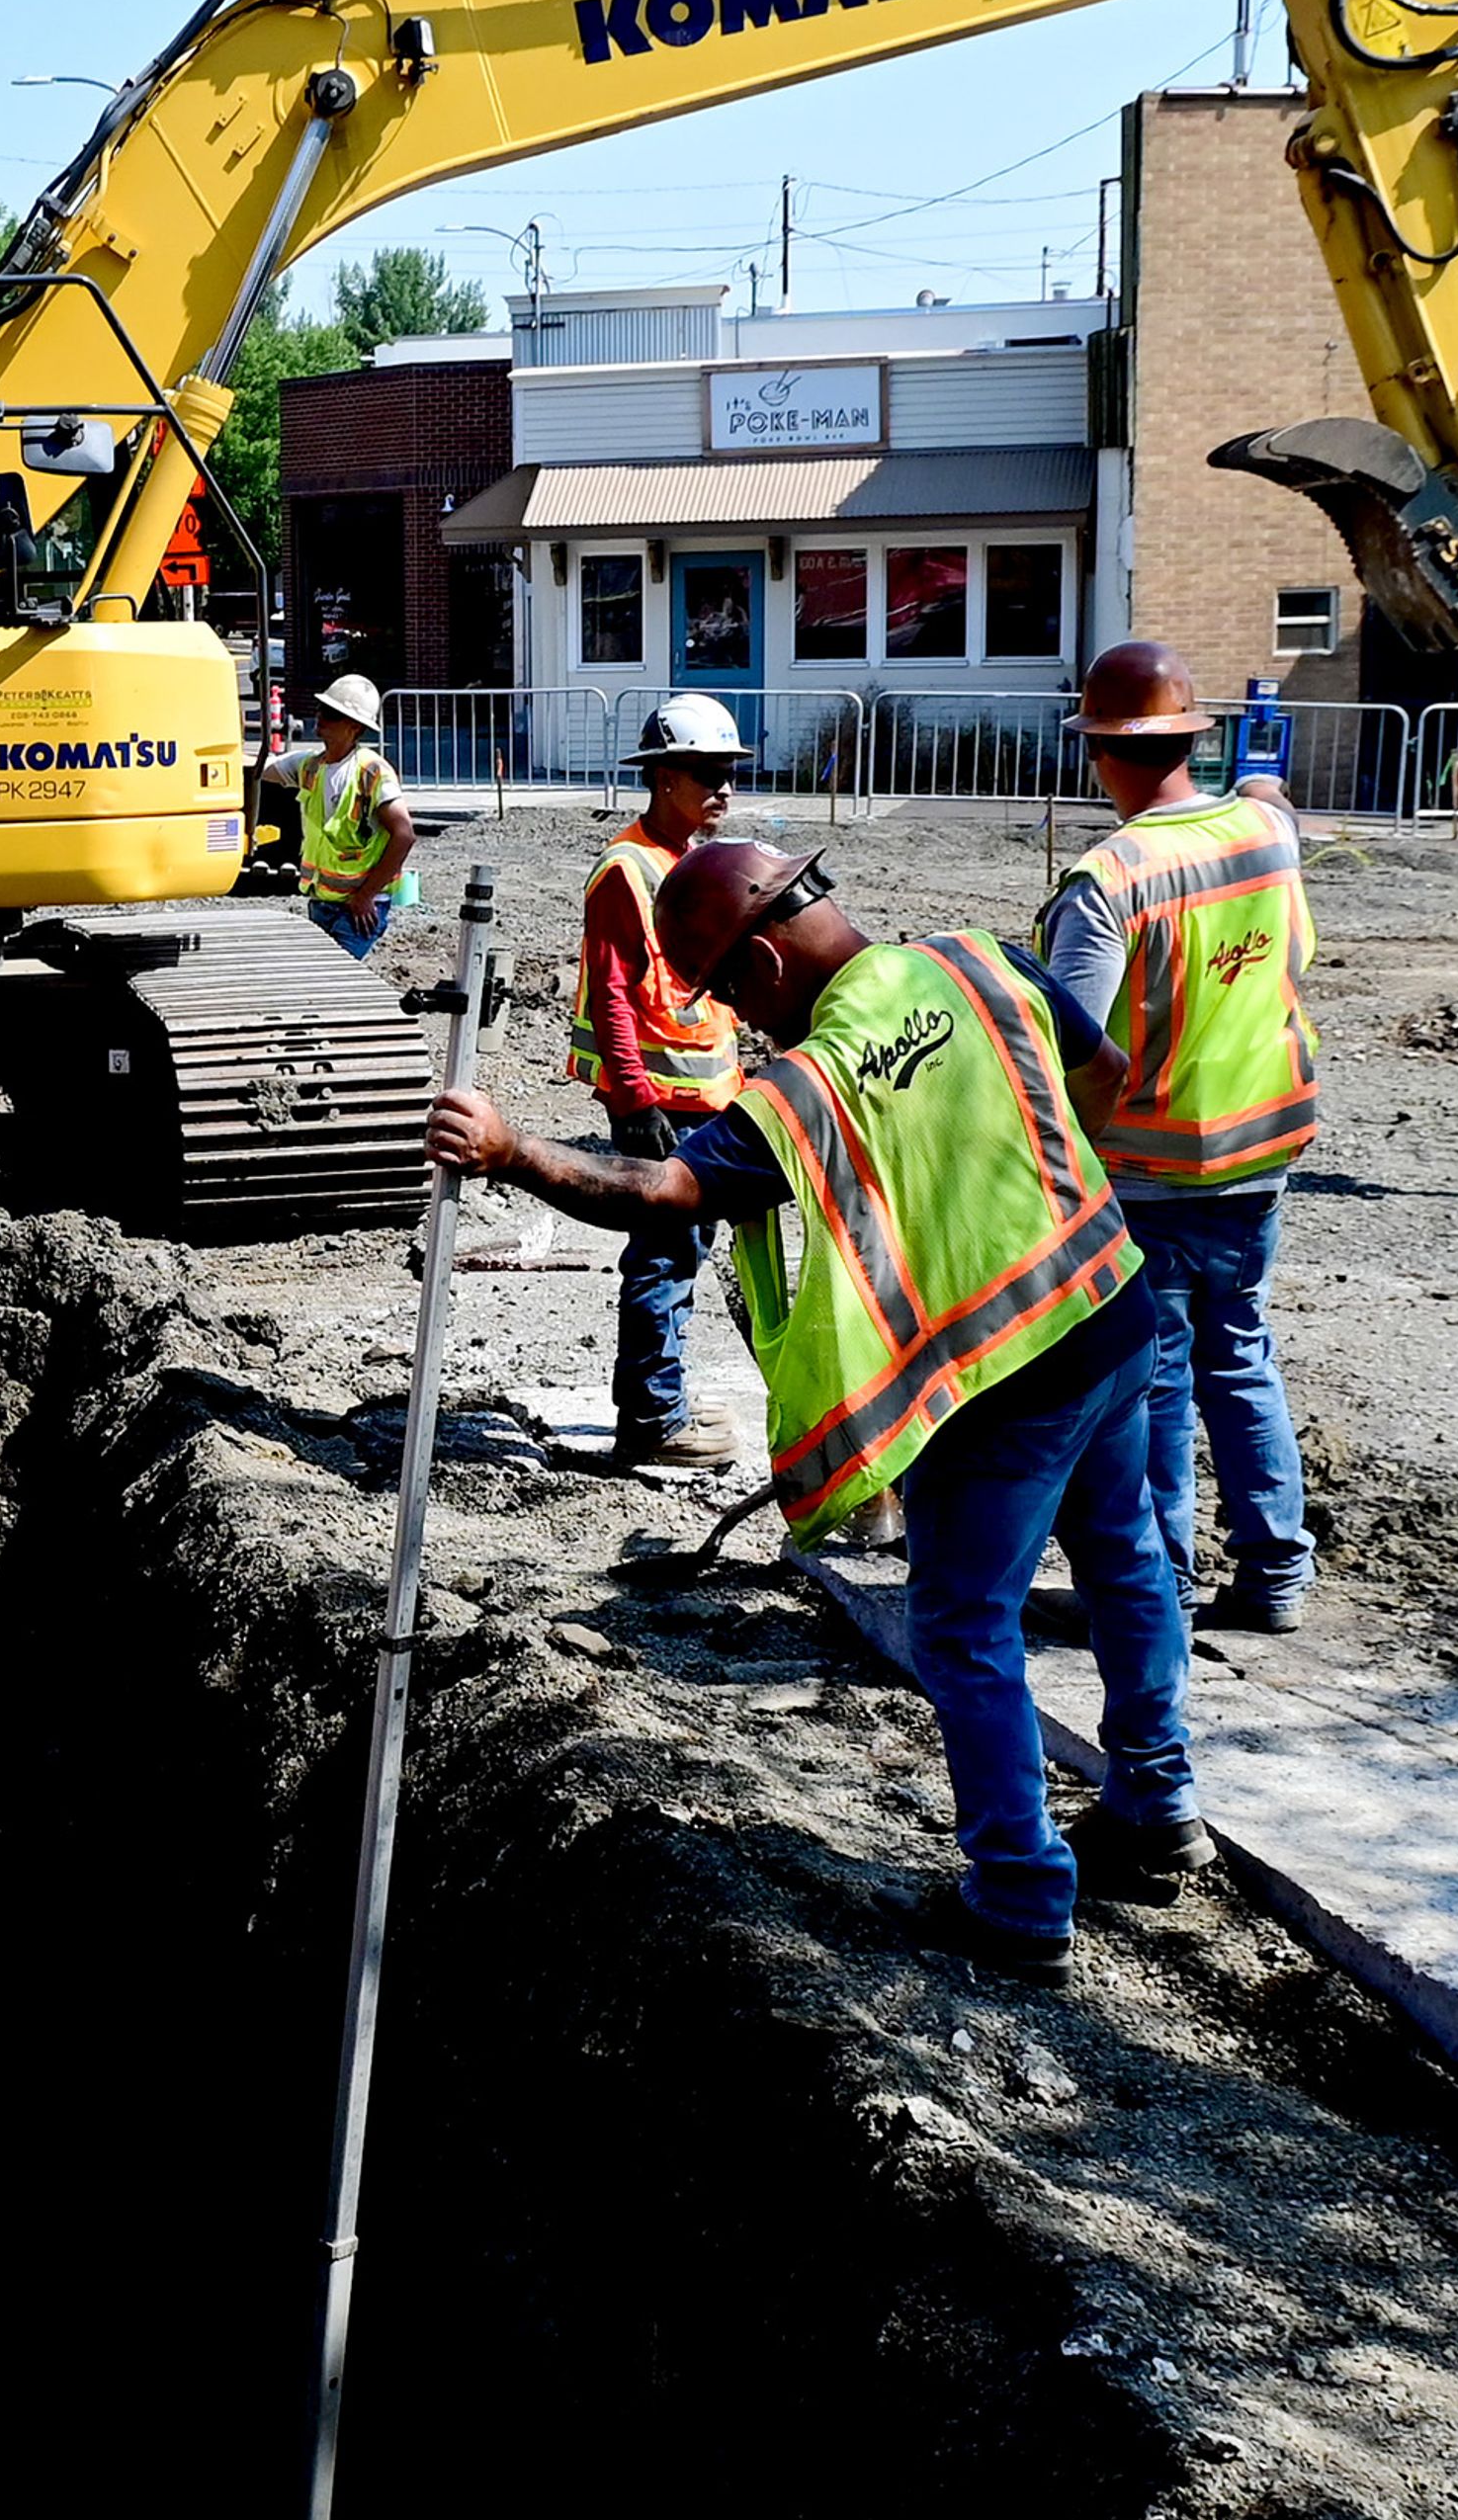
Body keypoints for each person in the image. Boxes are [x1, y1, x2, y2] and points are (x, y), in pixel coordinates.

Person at [425, 839, 1206, 1978]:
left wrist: (510, 1148)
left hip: (996, 1378)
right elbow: (1105, 1079)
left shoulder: (804, 1090)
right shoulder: (982, 962)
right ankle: (1156, 1804)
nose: (743, 1019)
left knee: (962, 1625)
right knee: (1125, 1558)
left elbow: (664, 1192)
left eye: (732, 992)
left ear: (763, 967)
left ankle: (1022, 1897)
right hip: (1107, 1299)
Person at [1038, 643, 1320, 1633]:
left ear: (1100, 752)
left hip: (1150, 1173)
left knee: (1152, 1381)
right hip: (1259, 1157)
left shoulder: (1108, 879)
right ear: (1190, 738)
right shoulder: (1263, 838)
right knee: (1239, 1351)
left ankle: (1156, 1587)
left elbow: (1070, 1043)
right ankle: (1277, 1570)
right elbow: (1272, 809)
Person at [567, 694, 750, 1470]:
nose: (724, 790)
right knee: (666, 1254)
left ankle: (660, 1397)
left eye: (729, 774)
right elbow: (610, 990)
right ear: (664, 779)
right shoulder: (627, 870)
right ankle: (651, 1417)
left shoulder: (691, 864)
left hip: (702, 1098)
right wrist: (636, 1099)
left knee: (681, 1253)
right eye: (707, 775)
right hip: (660, 1106)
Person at [280, 673, 417, 960]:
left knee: (333, 982)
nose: (320, 717)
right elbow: (256, 768)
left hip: (359, 907)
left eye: (331, 713)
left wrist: (366, 896)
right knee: (322, 981)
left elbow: (404, 835)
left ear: (354, 727)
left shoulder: (372, 771)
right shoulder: (310, 767)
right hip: (323, 901)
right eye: (321, 709)